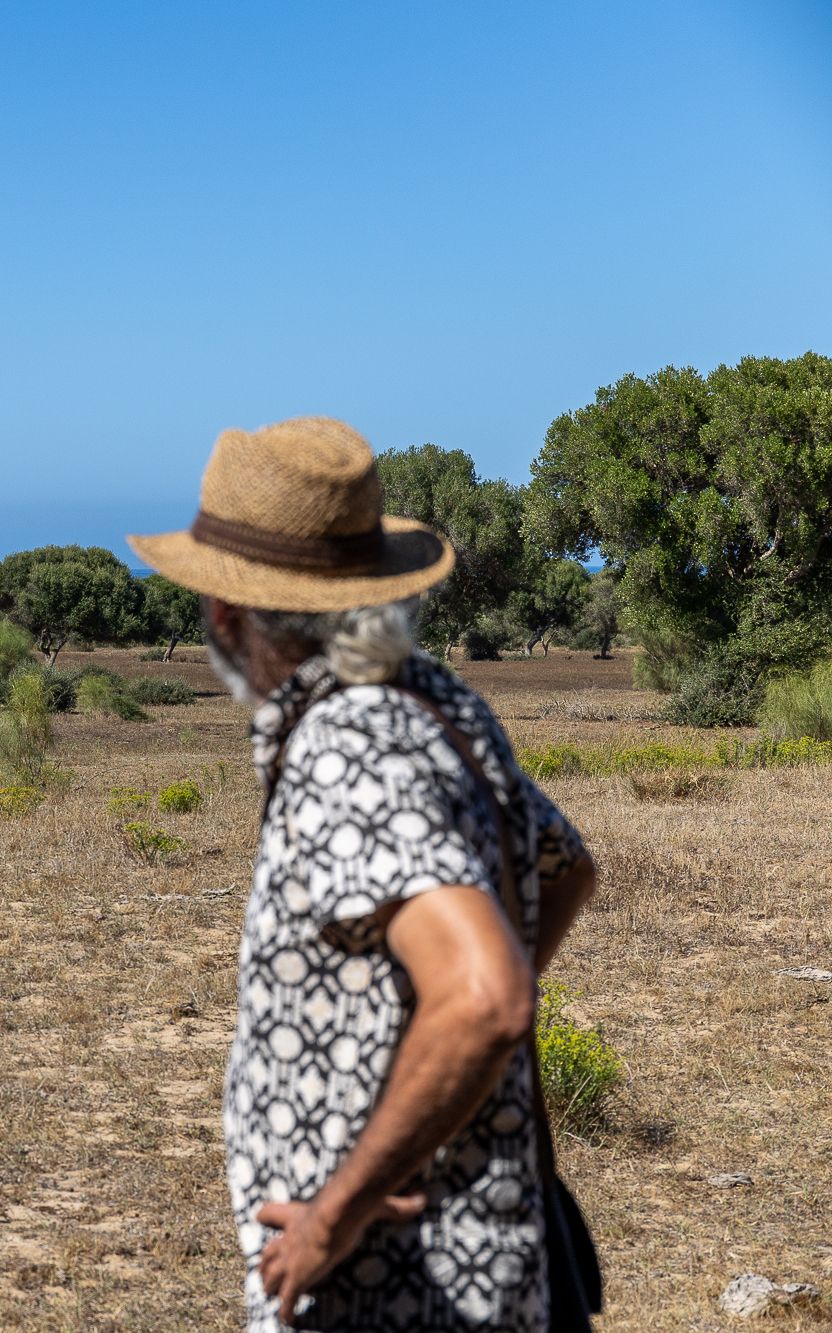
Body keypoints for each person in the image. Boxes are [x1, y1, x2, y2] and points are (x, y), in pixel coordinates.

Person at [130, 417, 599, 1333]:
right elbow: (565, 866)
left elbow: (485, 995)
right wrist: (426, 1063)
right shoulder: (432, 699)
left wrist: (336, 1210)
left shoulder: (347, 746)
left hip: (403, 1288)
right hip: (483, 1253)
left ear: (228, 615)